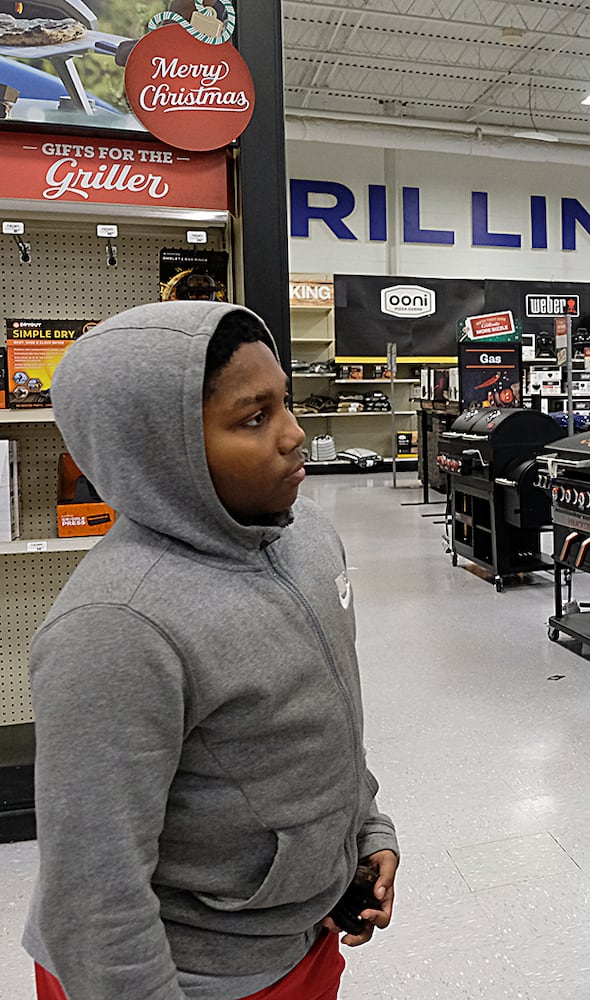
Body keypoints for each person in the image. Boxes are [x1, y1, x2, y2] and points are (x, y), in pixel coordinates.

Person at [26, 302, 399, 999]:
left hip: (299, 936)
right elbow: (92, 895)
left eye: (284, 403)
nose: (295, 436)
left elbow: (320, 719)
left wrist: (364, 826)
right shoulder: (115, 627)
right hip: (187, 977)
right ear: (157, 449)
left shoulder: (307, 540)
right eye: (253, 418)